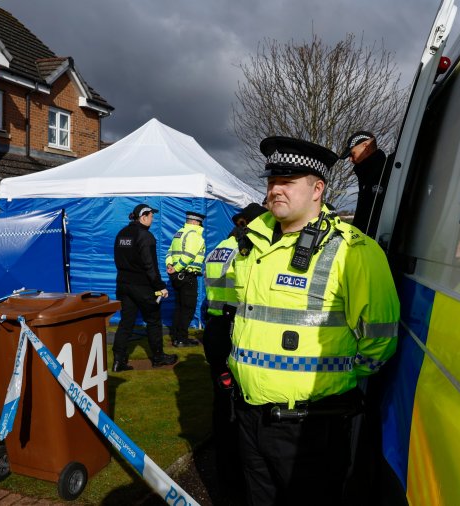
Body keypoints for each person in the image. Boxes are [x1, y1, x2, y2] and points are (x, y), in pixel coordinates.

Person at [228, 136, 400, 505]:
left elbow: (379, 342)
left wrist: (338, 378)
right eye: (272, 181)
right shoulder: (251, 245)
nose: (275, 190)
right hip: (248, 417)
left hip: (311, 427)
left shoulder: (355, 251)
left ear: (317, 188)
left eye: (288, 182)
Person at [203, 202, 267, 494]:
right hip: (232, 329)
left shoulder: (217, 247)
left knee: (220, 399)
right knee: (236, 406)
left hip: (214, 329)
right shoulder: (245, 252)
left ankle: (224, 470)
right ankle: (236, 475)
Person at [112, 204, 178, 371]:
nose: (152, 218)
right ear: (143, 217)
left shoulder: (122, 234)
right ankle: (158, 357)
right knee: (154, 320)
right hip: (142, 287)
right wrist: (161, 286)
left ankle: (118, 361)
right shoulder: (146, 236)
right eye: (151, 216)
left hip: (123, 285)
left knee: (126, 323)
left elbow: (118, 260)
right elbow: (151, 266)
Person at [340, 130, 393, 238]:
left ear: (366, 146)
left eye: (352, 154)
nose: (350, 160)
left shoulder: (386, 172)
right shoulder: (367, 174)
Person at [165, 211, 206, 347]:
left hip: (176, 276)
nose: (200, 225)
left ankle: (176, 337)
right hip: (187, 276)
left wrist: (170, 266)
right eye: (200, 223)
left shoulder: (179, 233)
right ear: (195, 222)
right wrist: (177, 268)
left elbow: (169, 252)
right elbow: (189, 256)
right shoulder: (195, 235)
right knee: (188, 308)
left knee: (179, 307)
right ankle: (182, 339)